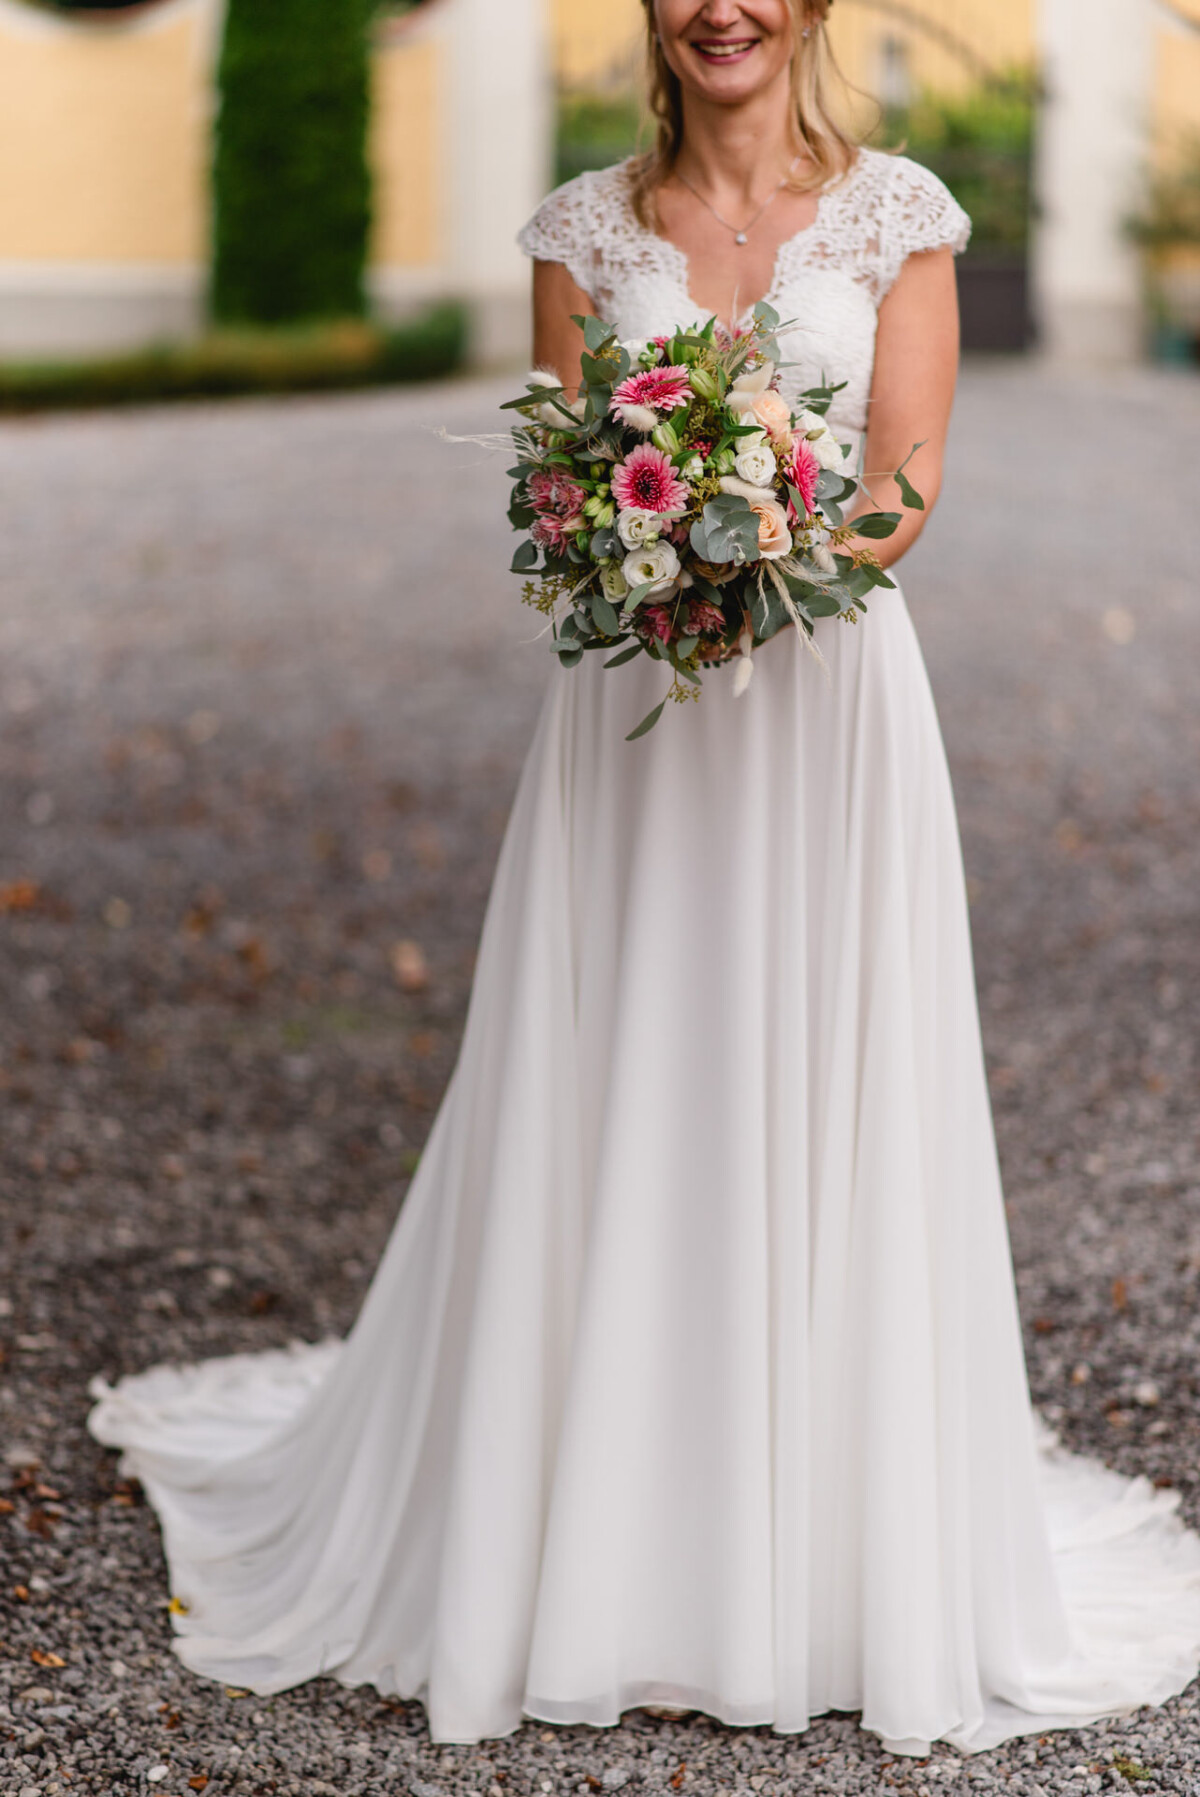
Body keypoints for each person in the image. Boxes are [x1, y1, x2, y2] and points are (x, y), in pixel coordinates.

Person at [89, 0, 1200, 1758]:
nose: (719, 9)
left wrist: (762, 539)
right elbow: (553, 484)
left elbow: (908, 481)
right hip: (639, 708)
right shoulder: (586, 233)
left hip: (828, 705)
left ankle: (827, 1548)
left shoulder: (901, 212)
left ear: (812, 6)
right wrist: (639, 540)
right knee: (631, 1072)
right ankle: (603, 1534)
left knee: (826, 1075)